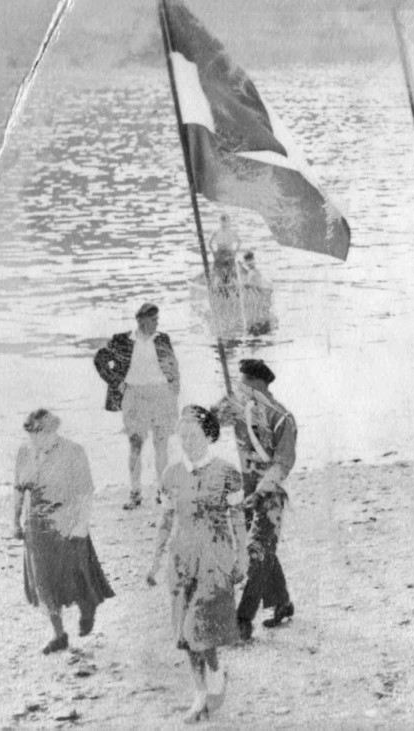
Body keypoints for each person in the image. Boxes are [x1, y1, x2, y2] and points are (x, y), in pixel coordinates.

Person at [146, 406, 247, 723]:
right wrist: (154, 562)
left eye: (193, 435)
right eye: (183, 435)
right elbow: (165, 520)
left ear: (209, 435)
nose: (187, 441)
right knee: (185, 635)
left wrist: (242, 556)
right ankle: (201, 691)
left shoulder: (228, 472)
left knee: (197, 628)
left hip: (215, 558)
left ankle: (213, 677)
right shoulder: (170, 474)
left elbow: (239, 519)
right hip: (182, 559)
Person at [12, 409, 115, 654]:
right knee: (44, 582)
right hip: (37, 523)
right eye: (32, 434)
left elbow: (85, 492)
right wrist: (15, 521)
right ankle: (59, 635)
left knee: (77, 575)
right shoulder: (25, 452)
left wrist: (79, 526)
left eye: (41, 433)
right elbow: (18, 489)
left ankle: (87, 608)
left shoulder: (74, 451)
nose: (36, 439)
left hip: (67, 519)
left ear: (53, 431)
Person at [213, 358, 298, 640]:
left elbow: (283, 462)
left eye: (244, 384)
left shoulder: (281, 418)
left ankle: (242, 619)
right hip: (246, 493)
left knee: (256, 552)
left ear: (258, 385)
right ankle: (282, 603)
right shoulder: (238, 408)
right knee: (264, 551)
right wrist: (215, 410)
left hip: (269, 496)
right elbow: (209, 425)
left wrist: (261, 491)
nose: (240, 388)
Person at [93, 302, 181, 509]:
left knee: (161, 445)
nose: (156, 324)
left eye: (157, 320)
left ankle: (163, 491)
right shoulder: (122, 340)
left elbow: (173, 366)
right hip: (134, 395)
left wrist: (174, 390)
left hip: (161, 394)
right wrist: (117, 382)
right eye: (152, 320)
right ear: (140, 320)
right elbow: (100, 359)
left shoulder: (163, 339)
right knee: (135, 444)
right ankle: (135, 492)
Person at [209, 214, 242, 296]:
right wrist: (213, 253)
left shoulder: (231, 231)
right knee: (219, 273)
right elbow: (209, 243)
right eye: (222, 223)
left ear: (228, 223)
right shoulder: (216, 231)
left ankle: (233, 291)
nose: (224, 225)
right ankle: (219, 291)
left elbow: (239, 242)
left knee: (230, 273)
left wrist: (235, 252)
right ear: (219, 223)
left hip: (228, 253)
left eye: (225, 223)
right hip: (220, 253)